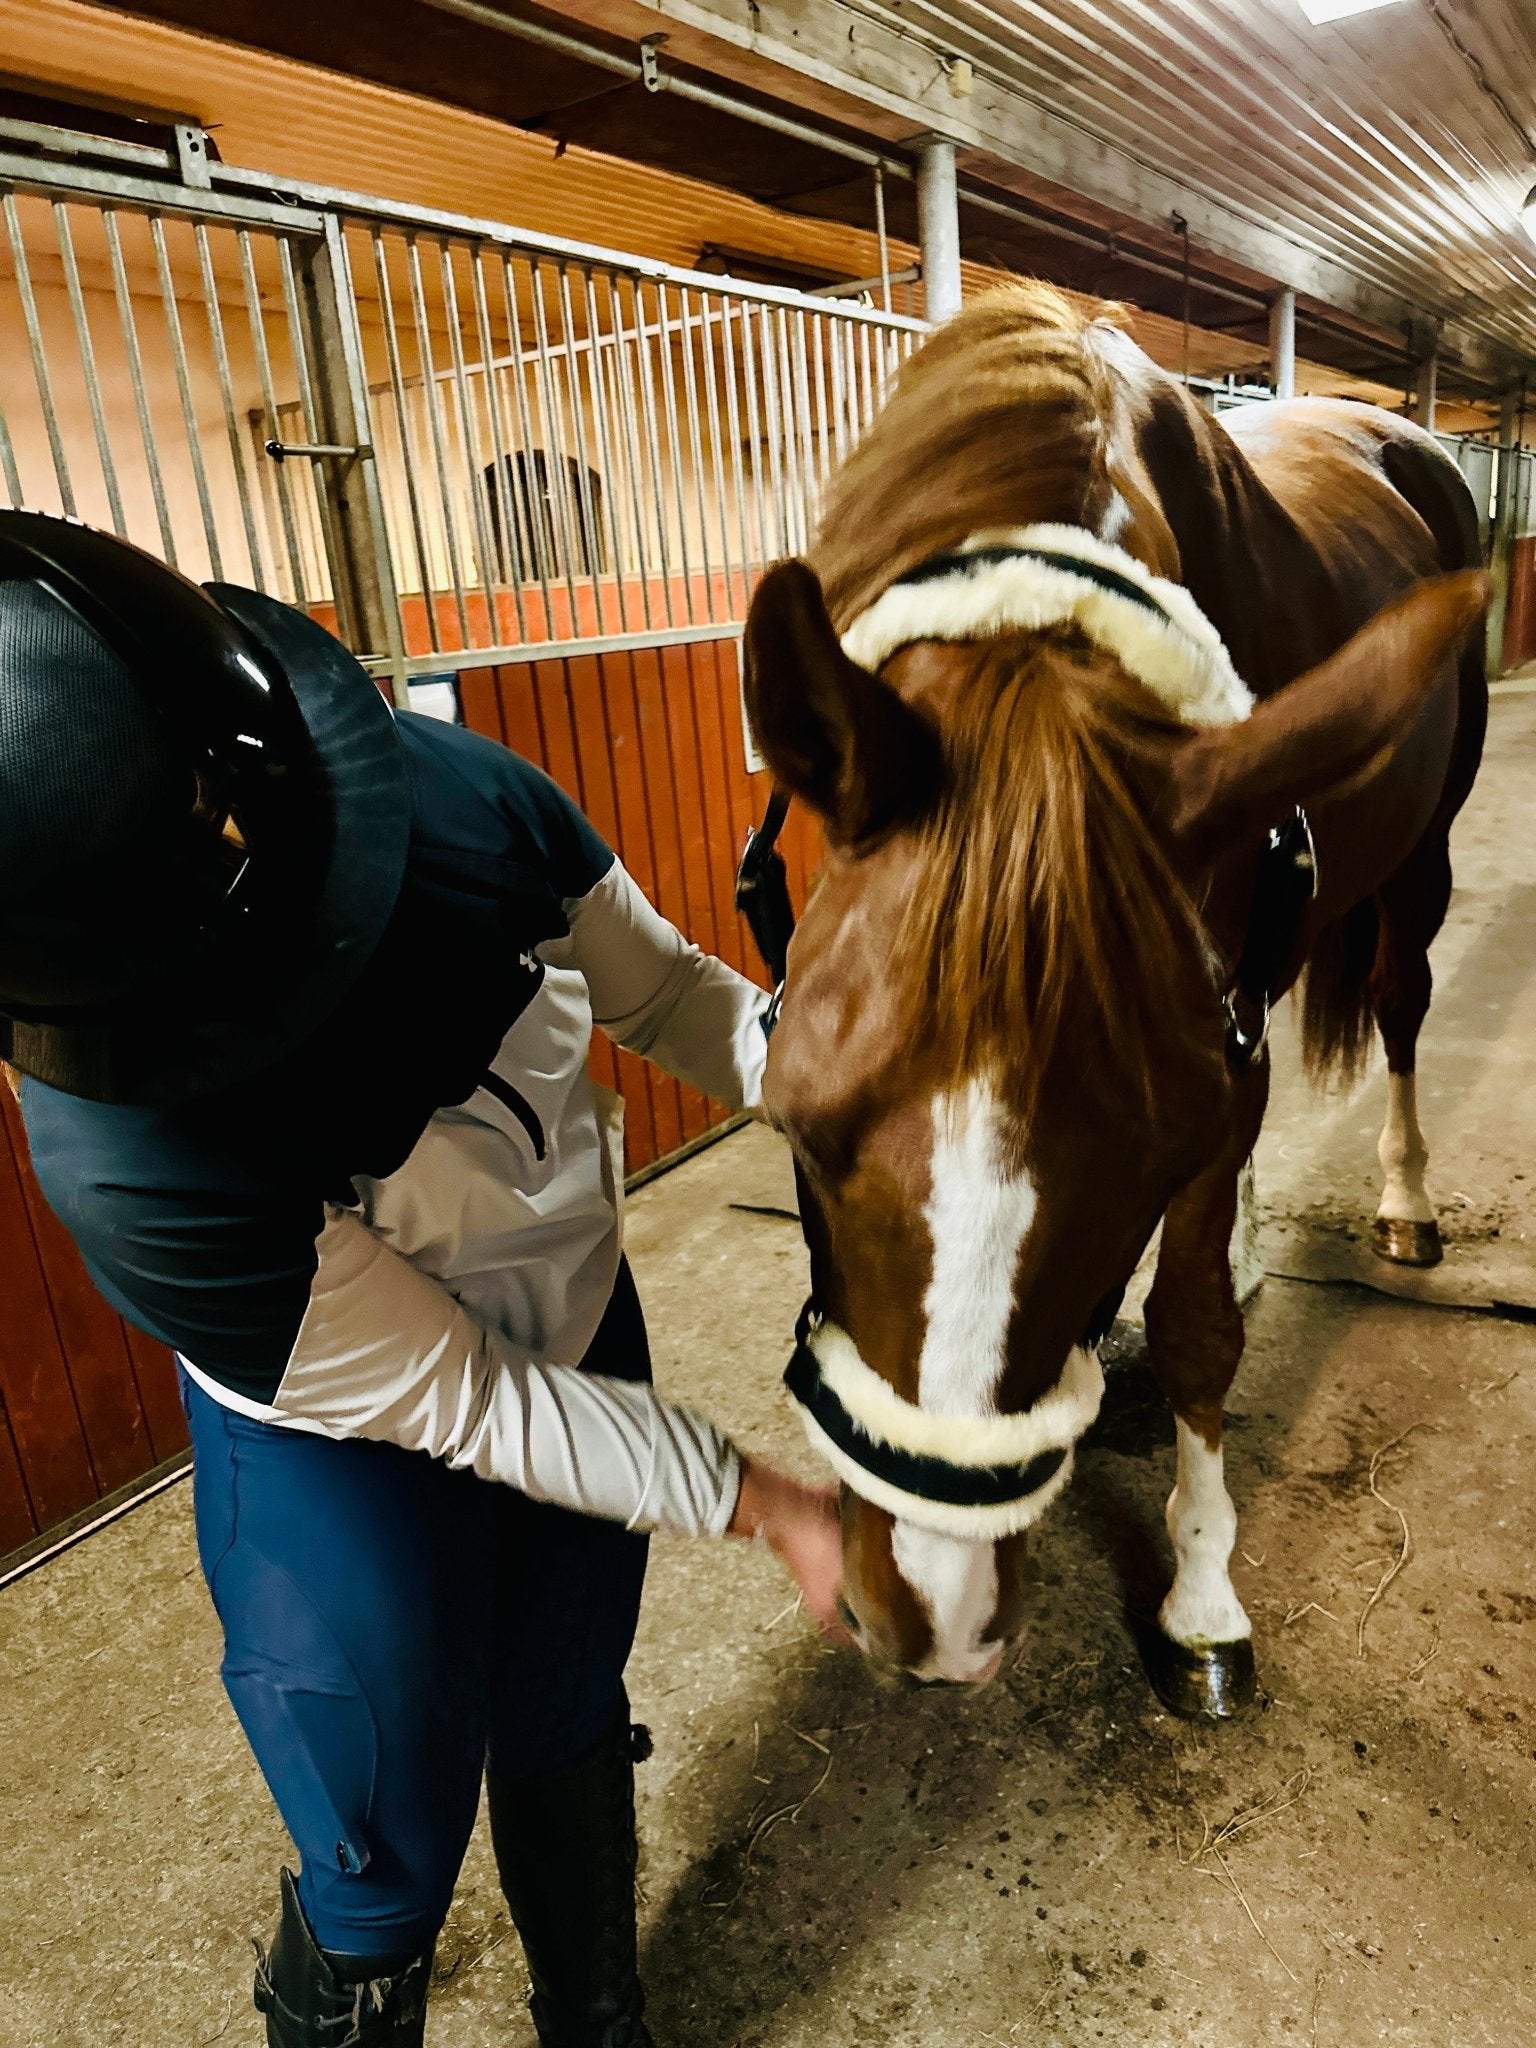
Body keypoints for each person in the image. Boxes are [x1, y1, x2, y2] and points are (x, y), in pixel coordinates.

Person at [0, 511, 843, 2048]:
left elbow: (666, 995)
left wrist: (847, 1086)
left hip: (574, 1323)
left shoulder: (464, 795)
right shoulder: (135, 1170)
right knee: (383, 1837)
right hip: (339, 1450)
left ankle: (598, 2018)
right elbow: (467, 1399)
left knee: (566, 1706)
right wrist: (772, 1504)